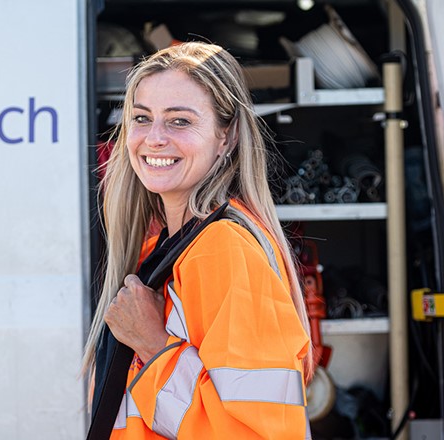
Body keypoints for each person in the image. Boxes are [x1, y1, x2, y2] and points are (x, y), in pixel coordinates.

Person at [83, 42, 314, 439]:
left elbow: (255, 435)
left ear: (227, 136)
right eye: (141, 118)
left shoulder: (223, 250)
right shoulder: (167, 249)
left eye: (179, 121)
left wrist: (154, 346)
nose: (153, 138)